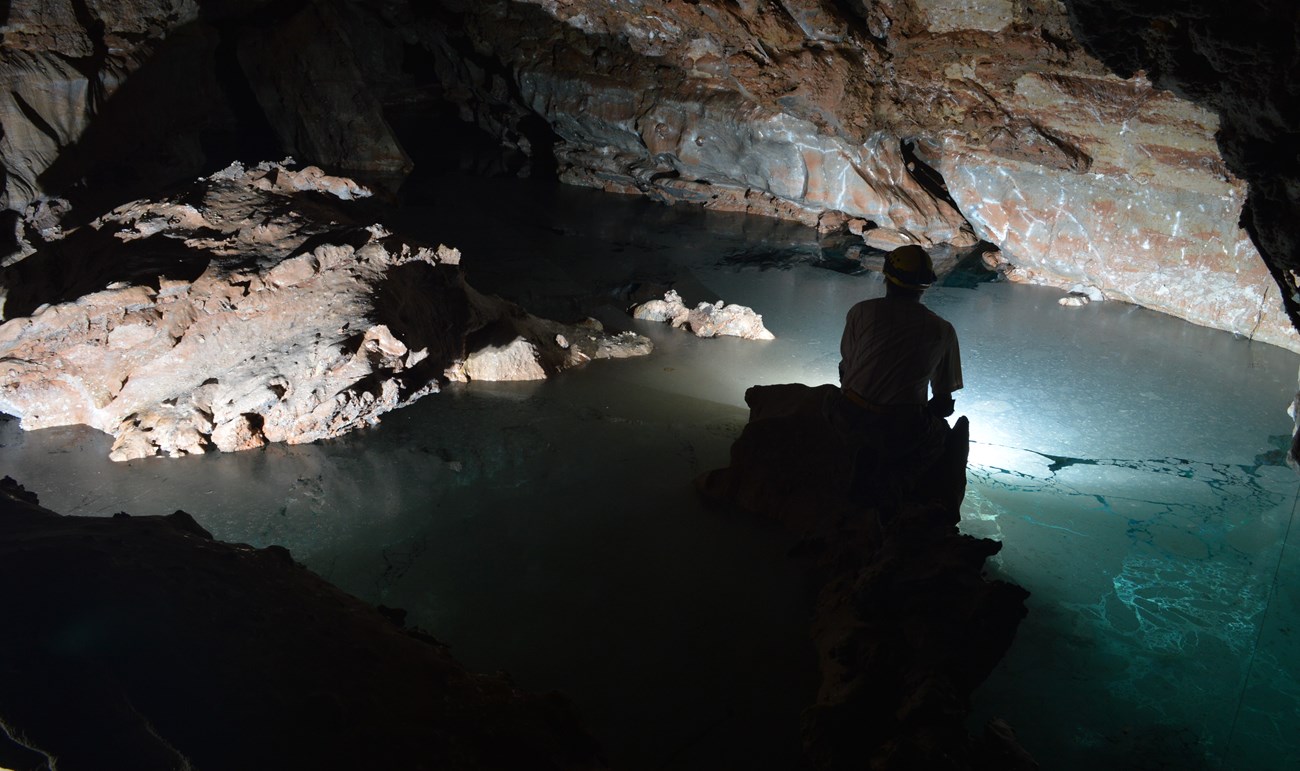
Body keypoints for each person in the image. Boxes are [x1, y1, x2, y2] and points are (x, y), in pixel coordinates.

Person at [830, 244, 962, 505]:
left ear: (886, 276)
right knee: (938, 437)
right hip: (901, 426)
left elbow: (847, 367)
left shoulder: (861, 311)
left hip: (850, 414)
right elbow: (944, 402)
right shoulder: (942, 330)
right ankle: (899, 489)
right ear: (925, 285)